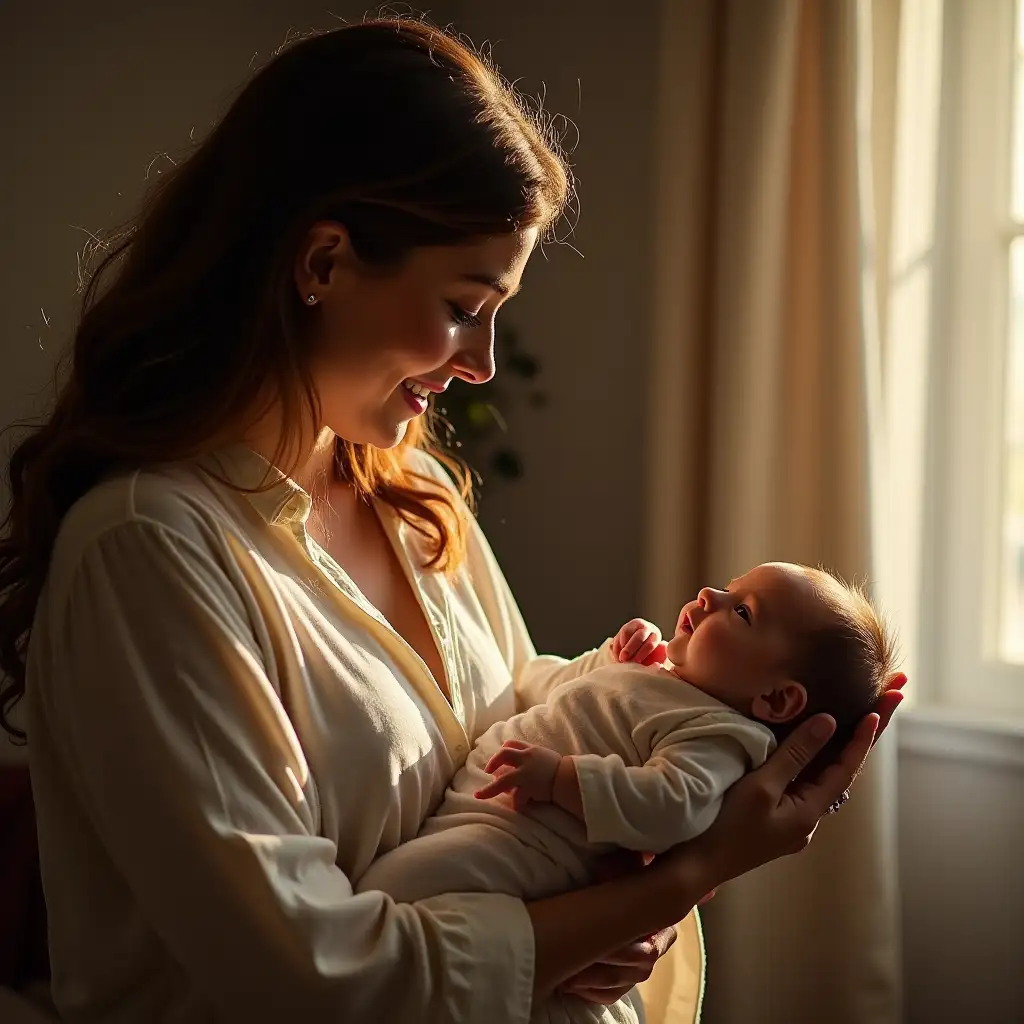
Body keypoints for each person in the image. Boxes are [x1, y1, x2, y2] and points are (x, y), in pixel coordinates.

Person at [0, 17, 905, 1024]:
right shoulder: (150, 553)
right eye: (464, 304)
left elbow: (514, 712)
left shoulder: (409, 494)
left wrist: (674, 713)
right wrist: (681, 875)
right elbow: (307, 973)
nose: (479, 363)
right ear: (324, 262)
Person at [355, 563, 900, 1023]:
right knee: (390, 906)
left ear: (778, 701)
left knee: (391, 896)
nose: (711, 595)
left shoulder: (719, 734)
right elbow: (546, 690)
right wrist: (608, 658)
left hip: (526, 849)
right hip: (489, 820)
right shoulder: (660, 677)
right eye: (729, 589)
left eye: (742, 612)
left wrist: (564, 779)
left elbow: (672, 805)